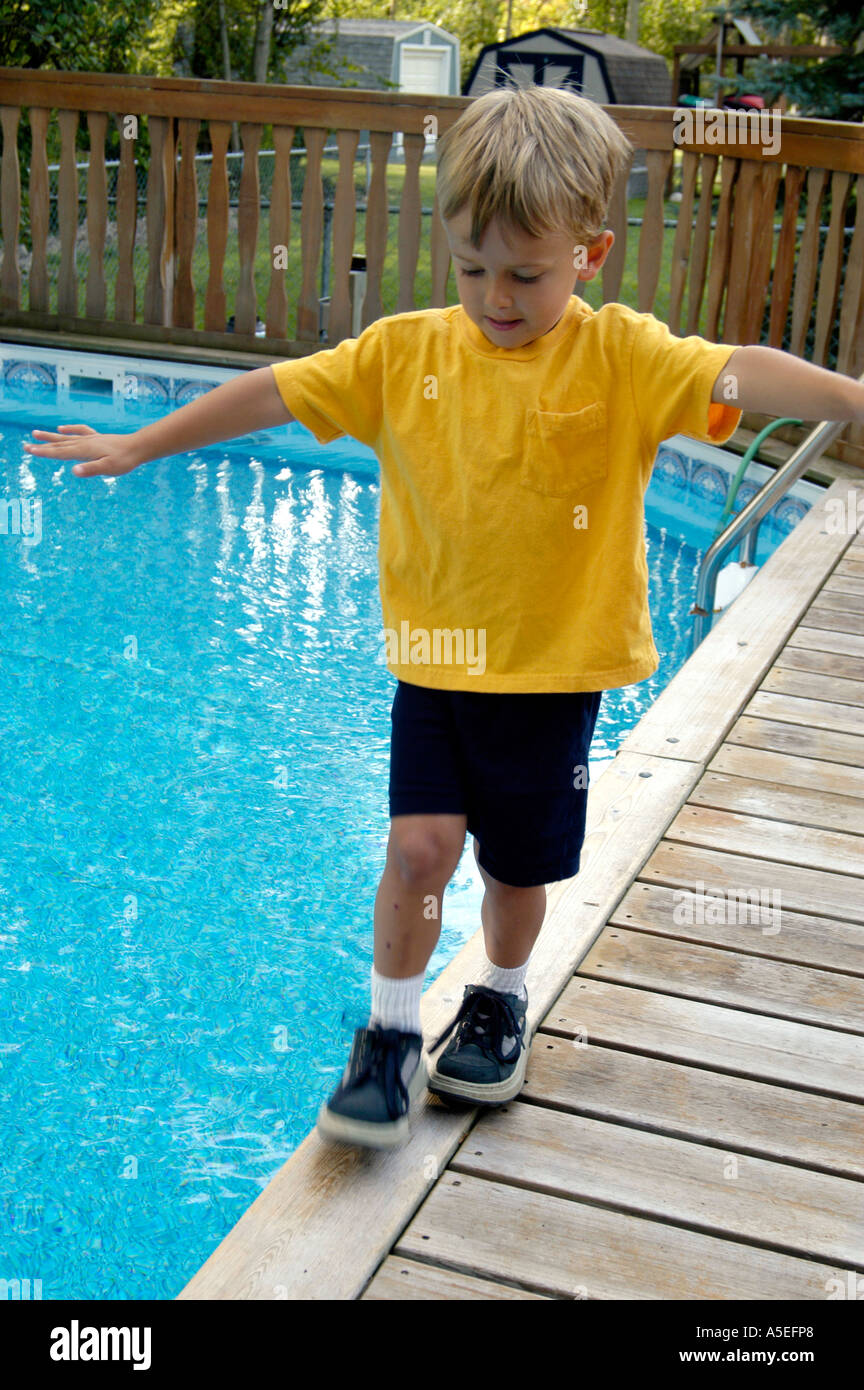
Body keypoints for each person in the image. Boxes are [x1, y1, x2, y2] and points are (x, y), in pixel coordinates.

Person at [24, 85, 864, 1152]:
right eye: (472, 268)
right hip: (434, 668)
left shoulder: (623, 358)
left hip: (552, 680)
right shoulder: (405, 353)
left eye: (526, 273)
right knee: (418, 852)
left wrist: (851, 396)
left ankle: (501, 997)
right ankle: (386, 1034)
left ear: (591, 254)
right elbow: (279, 392)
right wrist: (142, 443)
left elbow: (739, 370)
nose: (495, 295)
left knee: (518, 872)